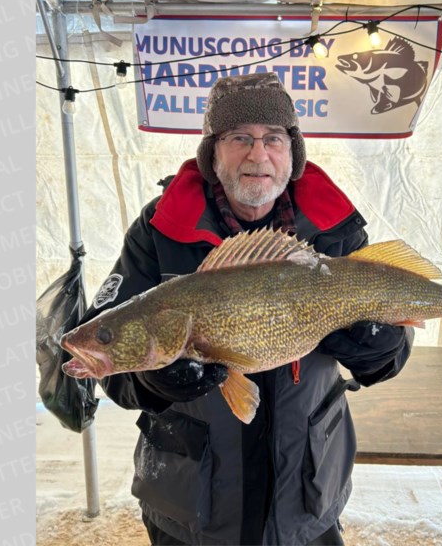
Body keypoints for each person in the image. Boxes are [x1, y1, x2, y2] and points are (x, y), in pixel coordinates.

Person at [79, 72, 413, 545]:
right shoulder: (157, 231)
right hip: (192, 502)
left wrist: (377, 346)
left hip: (305, 494)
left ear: (292, 154)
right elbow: (106, 354)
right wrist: (149, 382)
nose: (258, 155)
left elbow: (392, 356)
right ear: (213, 154)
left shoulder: (336, 230)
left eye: (273, 138)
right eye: (240, 138)